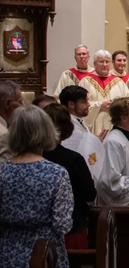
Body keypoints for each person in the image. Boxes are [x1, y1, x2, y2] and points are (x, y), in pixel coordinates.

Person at [0, 105, 73, 268]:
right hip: (45, 254)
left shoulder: (2, 171)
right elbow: (62, 224)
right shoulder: (56, 173)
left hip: (6, 252)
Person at [41, 104, 97, 249]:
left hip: (39, 233)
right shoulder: (73, 159)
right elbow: (89, 193)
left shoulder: (36, 156)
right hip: (71, 228)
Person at [58, 85, 106, 183]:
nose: (88, 105)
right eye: (84, 102)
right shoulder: (67, 125)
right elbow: (76, 150)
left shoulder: (79, 121)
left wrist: (93, 141)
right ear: (71, 104)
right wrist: (94, 143)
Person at [79, 50, 129, 135]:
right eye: (101, 62)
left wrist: (114, 106)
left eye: (107, 62)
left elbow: (128, 103)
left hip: (114, 124)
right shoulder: (85, 82)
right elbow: (81, 104)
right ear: (95, 63)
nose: (104, 65)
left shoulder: (119, 82)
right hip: (94, 126)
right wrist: (99, 105)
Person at [0, 81, 23, 162]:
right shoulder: (4, 136)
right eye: (20, 101)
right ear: (7, 103)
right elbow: (5, 171)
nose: (22, 106)